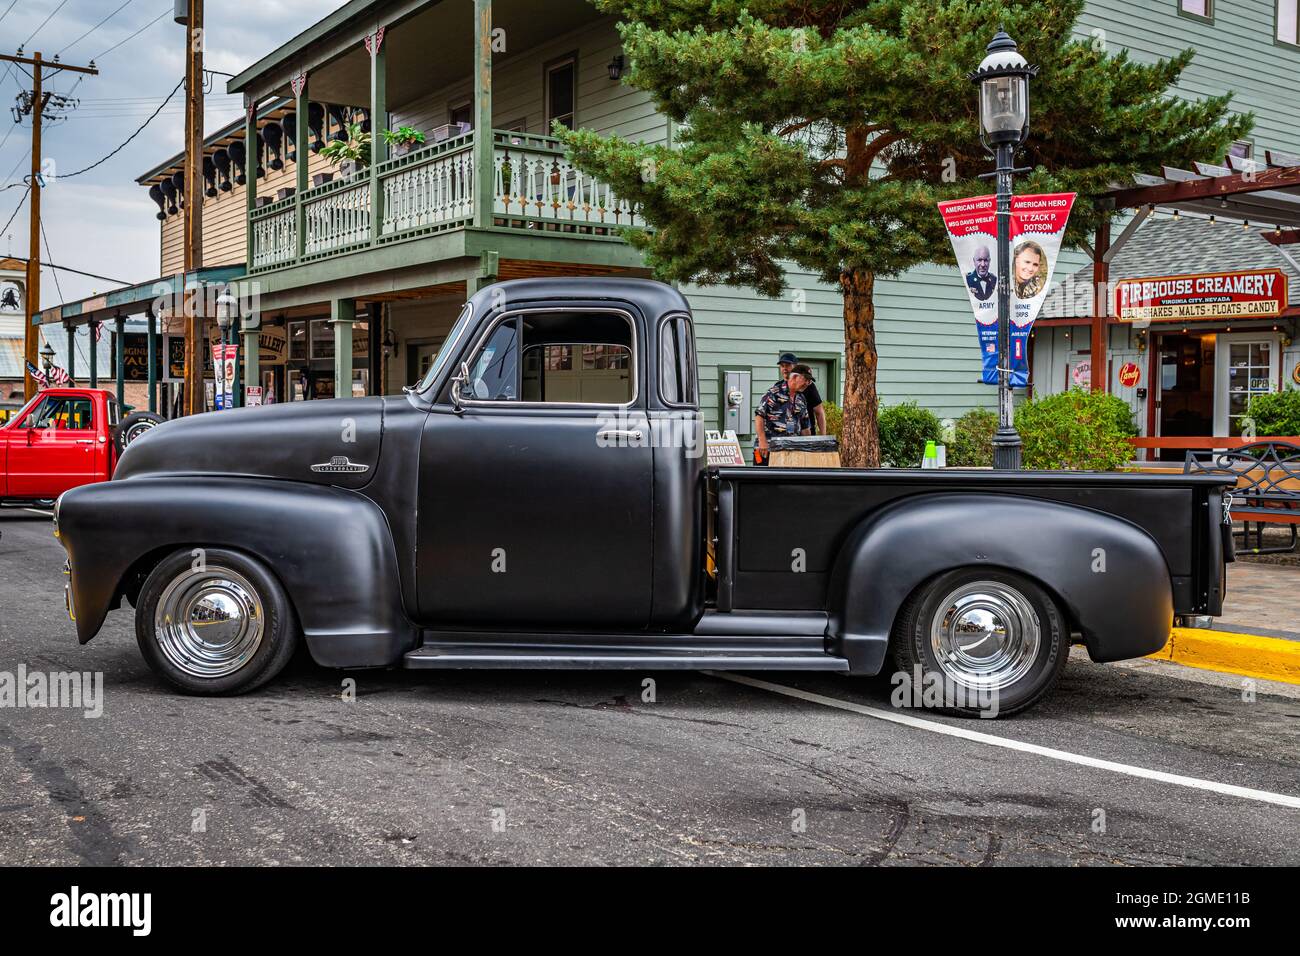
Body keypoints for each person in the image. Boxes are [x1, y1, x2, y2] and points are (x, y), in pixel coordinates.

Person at [754, 362, 813, 465]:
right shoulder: (774, 393)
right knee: (764, 480)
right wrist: (762, 441)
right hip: (768, 449)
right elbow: (759, 416)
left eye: (809, 381)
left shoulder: (801, 398)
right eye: (806, 379)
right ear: (794, 377)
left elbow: (805, 426)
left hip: (791, 452)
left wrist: (809, 447)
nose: (808, 383)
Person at [776, 351, 826, 435]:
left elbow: (819, 412)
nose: (784, 369)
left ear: (795, 367)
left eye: (788, 365)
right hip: (784, 437)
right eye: (782, 366)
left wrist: (823, 436)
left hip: (807, 435)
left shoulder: (808, 386)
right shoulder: (777, 389)